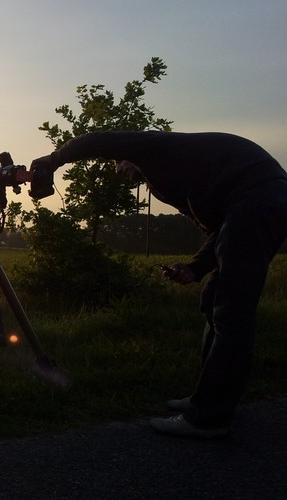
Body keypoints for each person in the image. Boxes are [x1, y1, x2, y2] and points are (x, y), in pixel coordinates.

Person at [30, 130, 287, 438]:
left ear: (130, 153)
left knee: (232, 315)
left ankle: (208, 419)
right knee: (214, 298)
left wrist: (54, 160)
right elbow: (223, 228)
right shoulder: (164, 177)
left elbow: (96, 140)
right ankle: (208, 399)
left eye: (118, 162)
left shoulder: (154, 148)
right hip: (255, 205)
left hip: (259, 200)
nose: (118, 171)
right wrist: (195, 267)